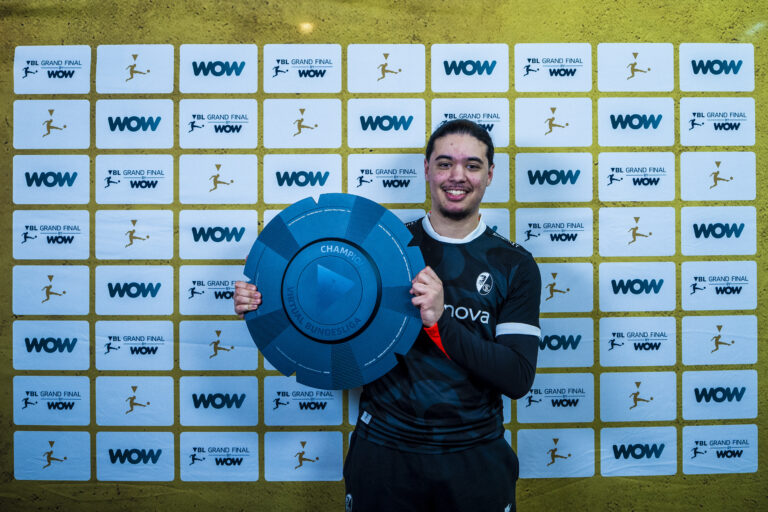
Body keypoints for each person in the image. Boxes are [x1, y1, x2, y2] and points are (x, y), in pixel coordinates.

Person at [234, 120, 541, 512]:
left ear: (490, 173)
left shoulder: (514, 264)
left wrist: (440, 321)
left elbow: (516, 377)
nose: (457, 176)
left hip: (475, 456)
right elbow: (318, 305)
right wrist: (264, 299)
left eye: (473, 165)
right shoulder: (384, 247)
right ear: (426, 168)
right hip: (384, 456)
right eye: (445, 163)